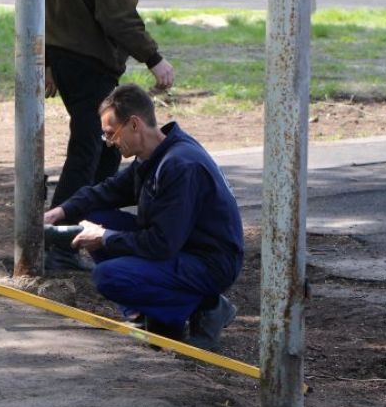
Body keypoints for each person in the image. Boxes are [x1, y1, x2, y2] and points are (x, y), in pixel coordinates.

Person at [43, 84, 243, 351]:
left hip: (209, 263)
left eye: (111, 134)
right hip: (183, 248)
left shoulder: (179, 166)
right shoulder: (155, 153)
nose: (109, 143)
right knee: (93, 215)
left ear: (134, 124)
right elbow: (111, 190)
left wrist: (105, 237)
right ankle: (158, 315)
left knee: (108, 277)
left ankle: (204, 306)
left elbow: (161, 244)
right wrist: (62, 211)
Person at [44, 0, 175, 271]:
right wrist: (154, 59)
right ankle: (58, 242)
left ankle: (84, 231)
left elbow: (46, 9)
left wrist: (48, 62)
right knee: (89, 149)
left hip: (67, 63)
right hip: (91, 64)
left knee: (102, 149)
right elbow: (120, 20)